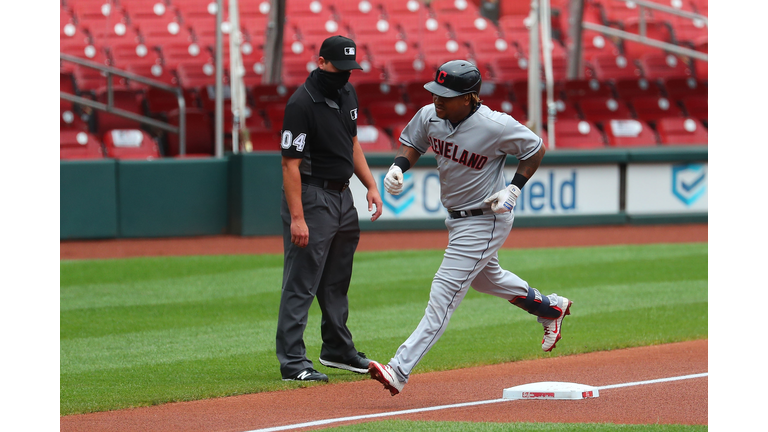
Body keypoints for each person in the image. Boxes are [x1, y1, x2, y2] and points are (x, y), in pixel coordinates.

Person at [367, 60, 572, 396]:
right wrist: (398, 166)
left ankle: (398, 369)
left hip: (486, 218)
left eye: (447, 95)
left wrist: (515, 188)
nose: (438, 99)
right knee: (487, 279)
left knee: (443, 292)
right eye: (436, 92)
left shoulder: (496, 125)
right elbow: (415, 143)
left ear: (470, 98)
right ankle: (550, 308)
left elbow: (535, 149)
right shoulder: (431, 115)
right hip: (456, 218)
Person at [277, 35, 383, 382]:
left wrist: (369, 184)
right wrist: (297, 218)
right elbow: (289, 164)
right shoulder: (301, 103)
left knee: (337, 280)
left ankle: (337, 349)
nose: (344, 75)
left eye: (349, 69)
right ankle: (293, 361)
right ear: (321, 62)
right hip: (312, 196)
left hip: (342, 196)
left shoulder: (346, 92)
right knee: (302, 281)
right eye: (339, 68)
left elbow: (352, 143)